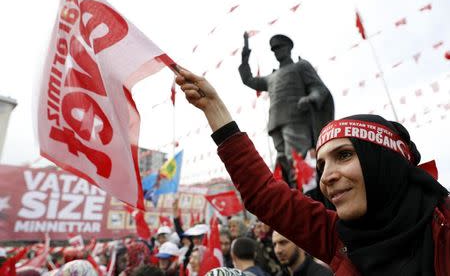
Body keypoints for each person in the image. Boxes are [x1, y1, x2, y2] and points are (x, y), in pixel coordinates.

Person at [175, 66, 450, 275]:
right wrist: (214, 109)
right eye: (321, 165)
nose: (327, 177)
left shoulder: (444, 228)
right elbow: (263, 194)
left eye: (344, 155)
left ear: (384, 162)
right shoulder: (339, 239)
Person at [238, 33, 334, 187]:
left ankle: (306, 191)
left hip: (296, 119)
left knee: (297, 158)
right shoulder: (271, 77)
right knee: (283, 160)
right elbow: (248, 80)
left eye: (279, 48)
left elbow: (318, 88)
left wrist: (311, 98)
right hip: (276, 123)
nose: (277, 52)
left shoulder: (300, 66)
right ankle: (292, 191)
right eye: (274, 50)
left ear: (289, 48)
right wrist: (245, 58)